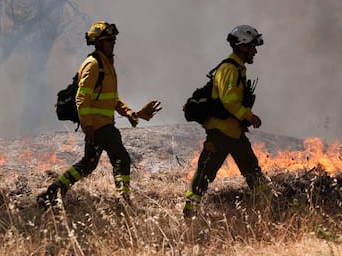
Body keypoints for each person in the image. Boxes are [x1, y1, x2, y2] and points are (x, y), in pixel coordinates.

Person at [37, 21, 162, 207]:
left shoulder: (106, 64)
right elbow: (82, 97)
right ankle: (124, 201)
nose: (113, 43)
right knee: (122, 159)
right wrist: (88, 126)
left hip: (102, 125)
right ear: (98, 43)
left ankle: (53, 193)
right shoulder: (93, 65)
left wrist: (130, 113)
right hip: (99, 126)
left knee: (88, 164)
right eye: (109, 40)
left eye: (114, 40)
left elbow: (111, 99)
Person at [183, 24, 269, 218]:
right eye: (252, 46)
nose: (255, 51)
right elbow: (228, 101)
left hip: (235, 133)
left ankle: (268, 210)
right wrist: (249, 116)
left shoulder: (238, 69)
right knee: (205, 174)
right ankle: (189, 213)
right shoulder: (229, 69)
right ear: (242, 45)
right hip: (220, 134)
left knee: (253, 171)